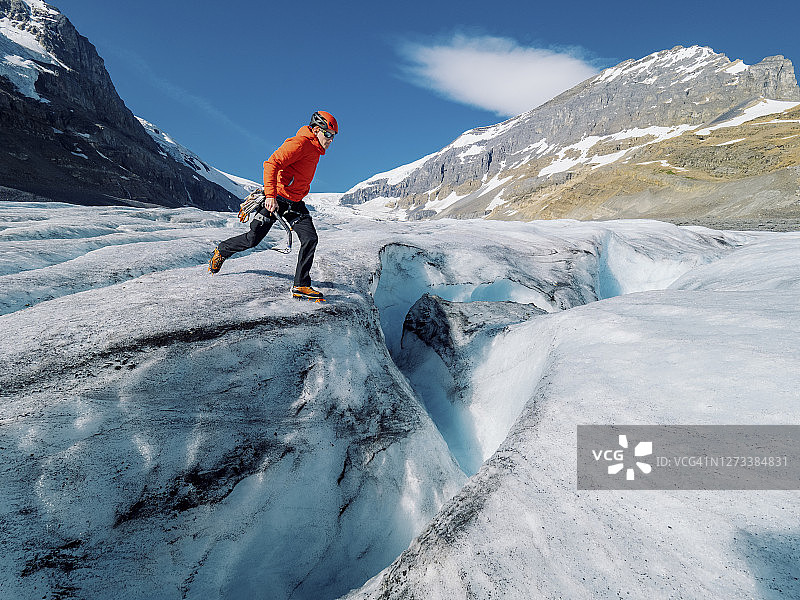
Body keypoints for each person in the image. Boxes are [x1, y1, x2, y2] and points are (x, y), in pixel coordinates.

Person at [208, 111, 338, 301]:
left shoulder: (315, 150)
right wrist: (270, 195)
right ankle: (222, 250)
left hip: (295, 204)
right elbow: (271, 163)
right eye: (328, 134)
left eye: (333, 136)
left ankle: (301, 285)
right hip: (277, 200)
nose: (331, 139)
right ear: (317, 130)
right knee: (253, 239)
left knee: (310, 238)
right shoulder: (300, 143)